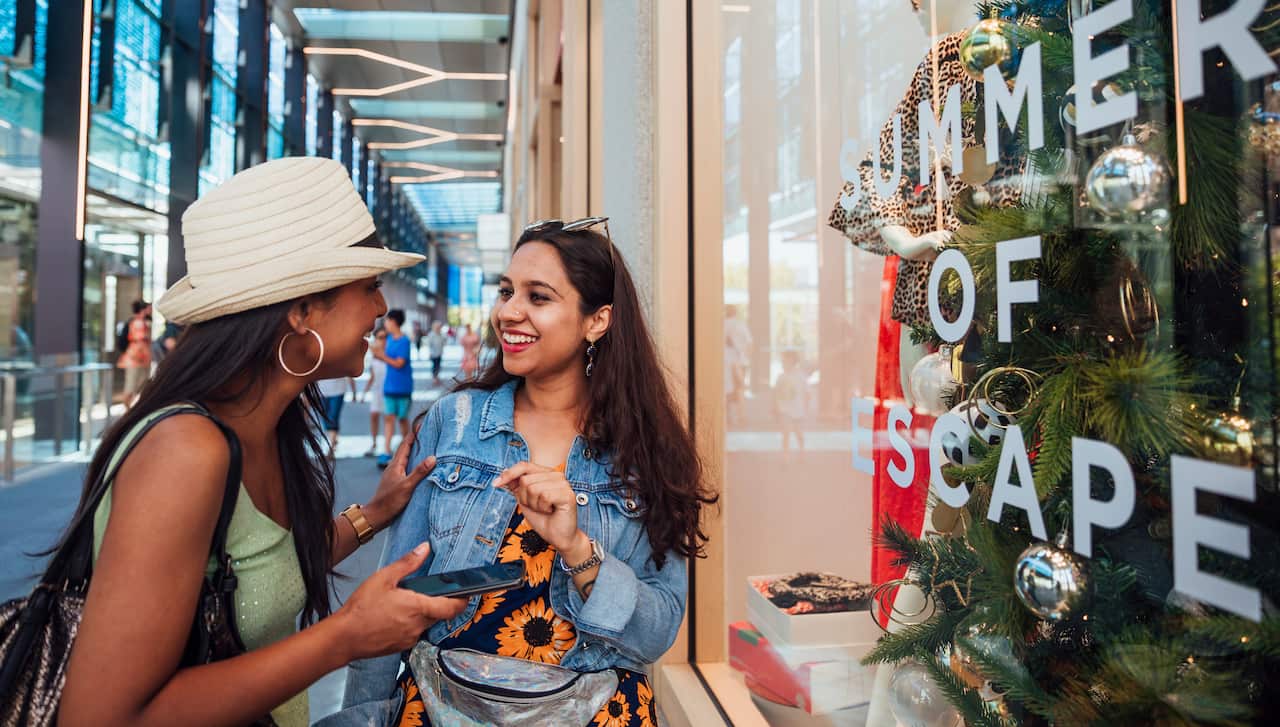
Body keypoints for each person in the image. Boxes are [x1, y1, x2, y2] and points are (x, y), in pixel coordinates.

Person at [57, 157, 466, 727]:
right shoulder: (185, 452)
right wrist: (344, 637)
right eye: (369, 286)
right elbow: (103, 716)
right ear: (300, 312)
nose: (380, 308)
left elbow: (260, 576)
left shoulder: (266, 427)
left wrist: (375, 512)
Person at [341, 217, 719, 727]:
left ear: (597, 321)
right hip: (442, 708)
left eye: (538, 297)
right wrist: (363, 717)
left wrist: (578, 551)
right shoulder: (453, 422)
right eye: (506, 292)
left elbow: (656, 633)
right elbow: (393, 599)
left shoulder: (647, 451)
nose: (508, 312)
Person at [374, 309, 413, 468]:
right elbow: (378, 349)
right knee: (389, 418)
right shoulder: (387, 339)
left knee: (402, 419)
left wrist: (381, 355)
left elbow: (399, 363)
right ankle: (387, 450)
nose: (385, 324)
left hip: (403, 387)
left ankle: (408, 450)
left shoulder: (404, 341)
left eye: (387, 321)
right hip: (389, 386)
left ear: (394, 322)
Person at [116, 300, 153, 409]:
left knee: (142, 383)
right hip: (134, 358)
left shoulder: (144, 322)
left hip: (142, 358)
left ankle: (131, 407)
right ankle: (127, 409)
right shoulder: (136, 323)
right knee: (131, 385)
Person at [773, 349, 808, 454]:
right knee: (786, 434)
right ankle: (785, 459)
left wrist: (806, 408)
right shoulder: (781, 377)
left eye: (785, 361)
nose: (783, 364)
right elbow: (776, 393)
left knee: (799, 434)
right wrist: (775, 407)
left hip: (798, 410)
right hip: (784, 410)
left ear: (792, 362)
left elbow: (807, 393)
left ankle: (802, 450)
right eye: (782, 362)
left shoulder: (801, 376)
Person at [361, 328, 388, 457]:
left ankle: (386, 445)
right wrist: (364, 392)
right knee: (374, 416)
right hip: (376, 391)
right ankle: (374, 443)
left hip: (389, 391)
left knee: (388, 418)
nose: (382, 341)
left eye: (384, 337)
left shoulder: (390, 354)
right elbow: (372, 376)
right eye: (380, 338)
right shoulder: (373, 356)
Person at [317, 376, 356, 460]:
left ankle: (331, 448)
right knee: (325, 418)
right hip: (321, 391)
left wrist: (354, 391)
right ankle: (333, 440)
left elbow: (348, 371)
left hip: (338, 391)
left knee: (333, 417)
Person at [425, 320, 446, 386]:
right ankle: (435, 378)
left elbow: (444, 342)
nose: (438, 328)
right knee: (435, 366)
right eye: (437, 327)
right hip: (433, 353)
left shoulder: (441, 334)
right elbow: (429, 344)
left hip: (439, 352)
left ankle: (436, 377)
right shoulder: (431, 334)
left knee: (438, 365)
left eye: (439, 327)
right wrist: (430, 353)